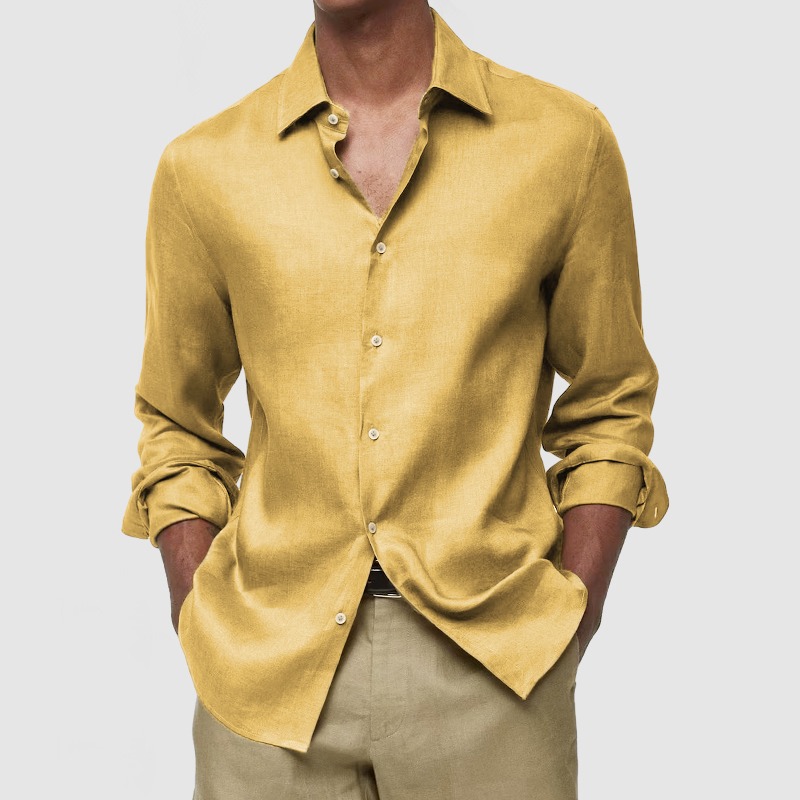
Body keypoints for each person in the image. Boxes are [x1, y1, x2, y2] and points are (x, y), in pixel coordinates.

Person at [122, 1, 669, 797]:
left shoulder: (563, 142)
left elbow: (612, 402)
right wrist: (199, 610)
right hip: (265, 679)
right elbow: (176, 424)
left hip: (496, 674)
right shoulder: (202, 168)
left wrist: (572, 617)